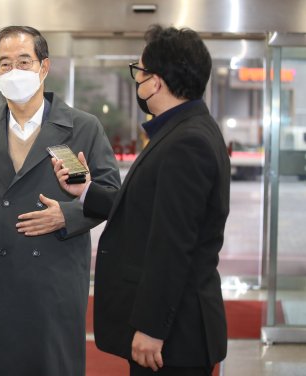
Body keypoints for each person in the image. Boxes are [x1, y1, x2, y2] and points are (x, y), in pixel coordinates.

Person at [0, 25, 121, 376]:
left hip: (52, 277)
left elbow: (113, 196)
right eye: (4, 64)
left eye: (24, 61)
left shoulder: (83, 128)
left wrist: (67, 216)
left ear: (44, 67)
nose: (14, 71)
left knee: (51, 366)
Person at [53, 25, 230, 376]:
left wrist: (151, 328)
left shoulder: (186, 143)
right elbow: (148, 210)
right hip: (175, 328)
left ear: (157, 81)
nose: (138, 81)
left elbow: (173, 244)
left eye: (140, 71)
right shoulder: (183, 131)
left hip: (174, 335)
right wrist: (87, 191)